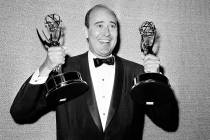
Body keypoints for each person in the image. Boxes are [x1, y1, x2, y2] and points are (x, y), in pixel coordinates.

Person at [10, 4, 179, 140]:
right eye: (99, 25)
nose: (106, 33)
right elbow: (20, 112)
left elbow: (169, 122)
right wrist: (46, 66)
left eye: (112, 26)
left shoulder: (137, 72)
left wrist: (156, 79)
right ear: (86, 32)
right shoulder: (64, 70)